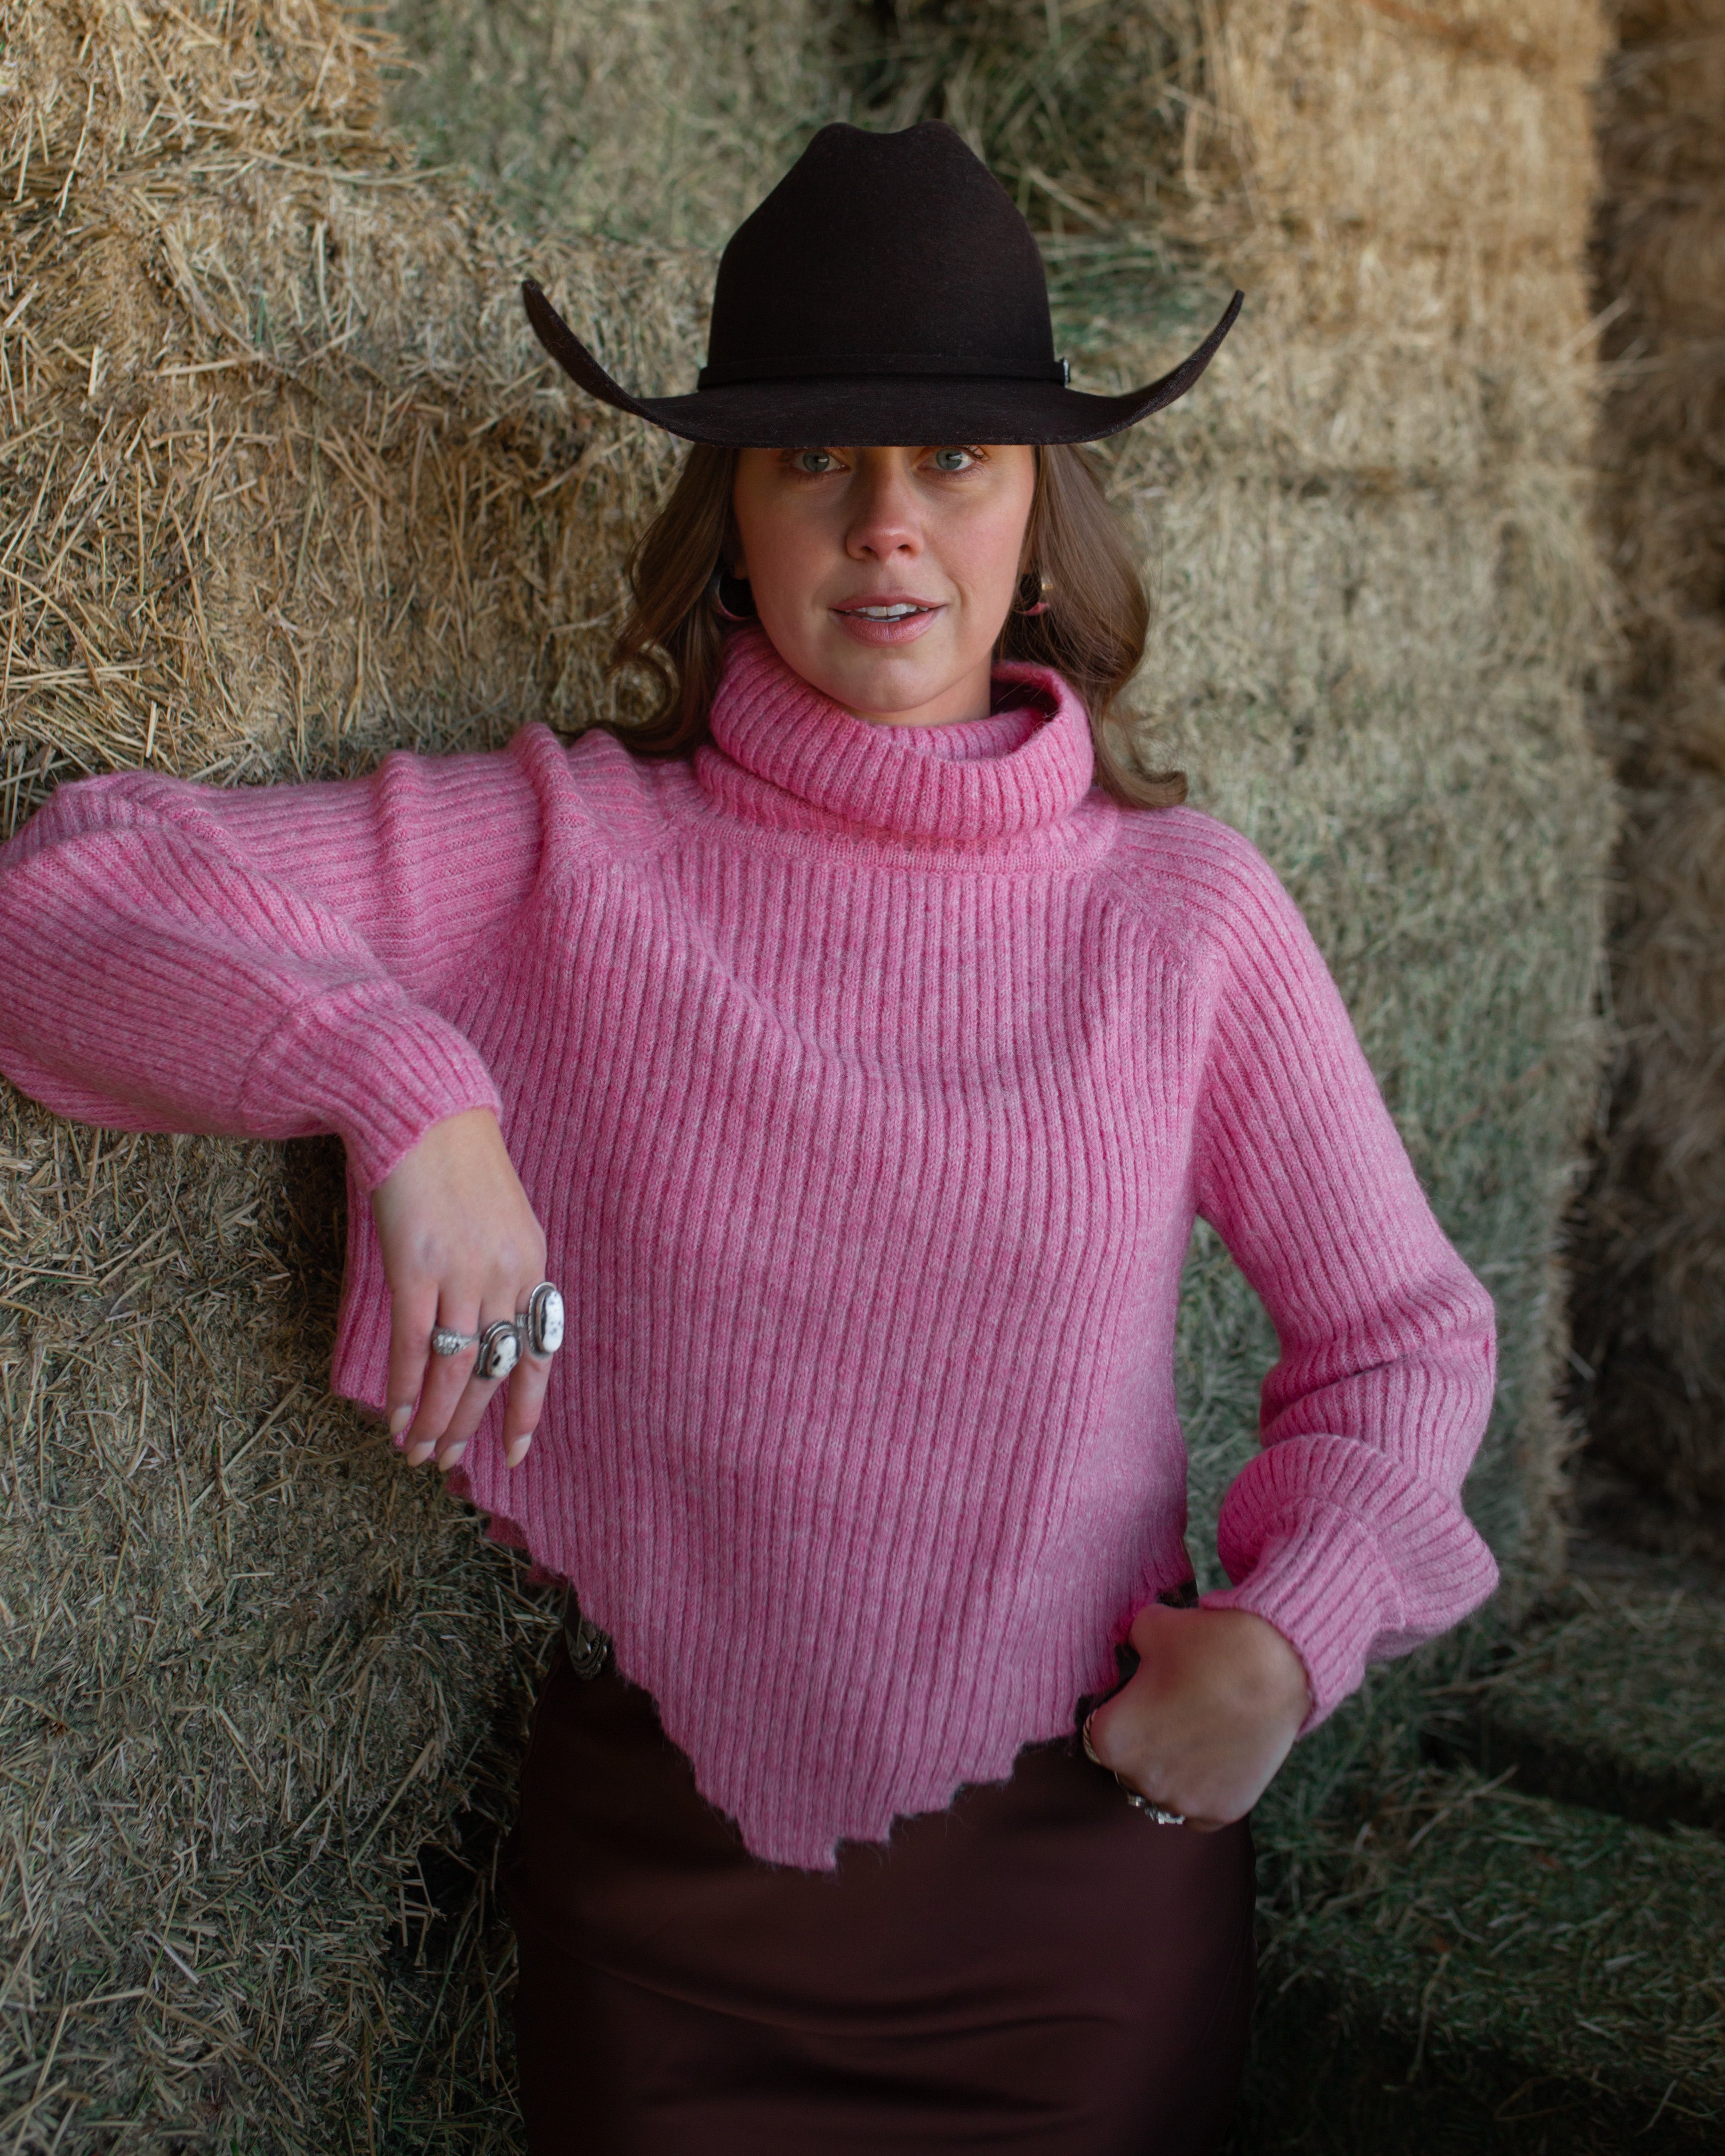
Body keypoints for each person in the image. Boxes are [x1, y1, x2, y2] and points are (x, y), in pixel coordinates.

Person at [0, 122, 1498, 2154]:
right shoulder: (562, 855)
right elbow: (68, 900)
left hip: (1075, 1905)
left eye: (954, 458)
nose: (887, 521)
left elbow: (1404, 1335)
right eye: (816, 458)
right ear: (735, 518)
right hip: (666, 1915)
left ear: (1042, 516)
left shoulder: (1184, 915)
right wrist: (404, 1088)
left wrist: (1293, 1636)